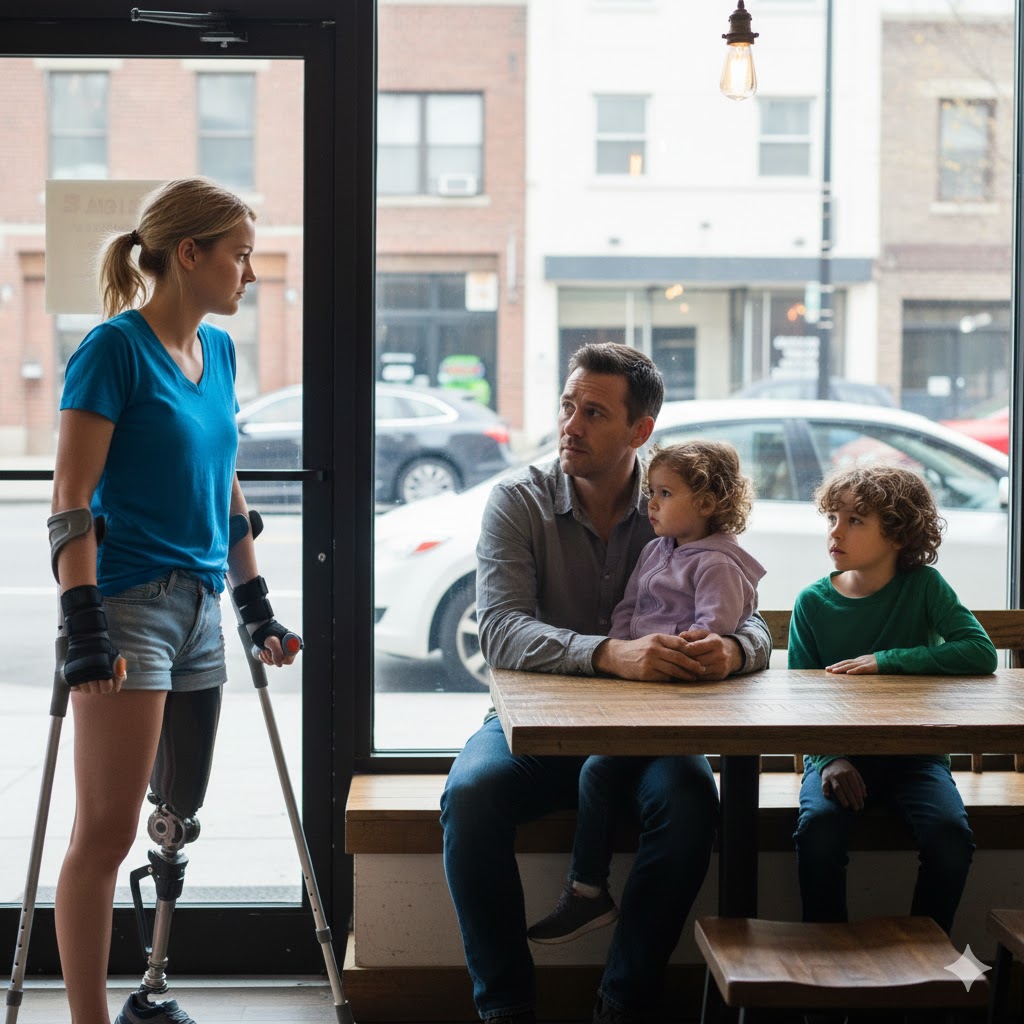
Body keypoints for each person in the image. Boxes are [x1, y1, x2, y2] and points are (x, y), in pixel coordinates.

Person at [439, 343, 773, 1024]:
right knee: (469, 798)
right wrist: (608, 655)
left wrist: (732, 653)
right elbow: (498, 631)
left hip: (646, 735)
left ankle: (623, 1003)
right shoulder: (517, 500)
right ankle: (505, 1009)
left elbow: (754, 619)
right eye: (568, 405)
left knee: (689, 804)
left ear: (640, 431)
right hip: (530, 730)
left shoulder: (676, 500)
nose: (571, 424)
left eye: (594, 412)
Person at [50, 177, 299, 1024]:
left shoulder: (218, 352)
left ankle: (150, 993)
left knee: (175, 815)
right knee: (105, 834)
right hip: (127, 609)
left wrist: (254, 599)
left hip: (200, 610)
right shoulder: (113, 349)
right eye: (240, 255)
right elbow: (71, 500)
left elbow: (222, 481)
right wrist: (80, 622)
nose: (251, 274)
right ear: (188, 255)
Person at [525, 440, 766, 946]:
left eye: (663, 494)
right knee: (597, 769)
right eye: (652, 492)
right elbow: (628, 610)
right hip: (636, 689)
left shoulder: (717, 562)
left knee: (598, 770)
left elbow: (716, 630)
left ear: (705, 502)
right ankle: (588, 890)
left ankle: (587, 890)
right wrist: (622, 651)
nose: (650, 504)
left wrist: (679, 654)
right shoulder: (658, 549)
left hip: (680, 696)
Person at [789, 463, 997, 934]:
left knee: (950, 839)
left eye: (855, 520)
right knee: (817, 835)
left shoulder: (924, 587)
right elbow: (800, 697)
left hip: (915, 755)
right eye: (833, 518)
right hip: (838, 756)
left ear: (899, 535)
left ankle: (923, 961)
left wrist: (889, 660)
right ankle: (826, 974)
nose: (835, 532)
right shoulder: (813, 602)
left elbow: (980, 651)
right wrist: (830, 757)